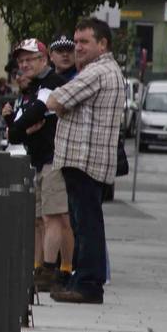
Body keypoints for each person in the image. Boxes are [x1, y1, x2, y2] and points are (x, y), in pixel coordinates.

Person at [45, 18, 126, 304]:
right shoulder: (106, 71)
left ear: (102, 44)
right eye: (76, 41)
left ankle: (88, 284)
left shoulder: (96, 73)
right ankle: (84, 280)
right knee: (86, 222)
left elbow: (56, 100)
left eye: (84, 42)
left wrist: (58, 103)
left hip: (84, 161)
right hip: (90, 161)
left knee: (86, 224)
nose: (77, 47)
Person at [2, 38, 73, 291]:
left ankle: (54, 269)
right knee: (38, 219)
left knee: (55, 216)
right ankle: (39, 266)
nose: (24, 65)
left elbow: (34, 115)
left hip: (56, 158)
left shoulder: (51, 84)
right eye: (21, 61)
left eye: (29, 59)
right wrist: (14, 122)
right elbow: (16, 132)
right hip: (39, 159)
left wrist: (21, 125)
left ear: (44, 60)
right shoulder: (30, 89)